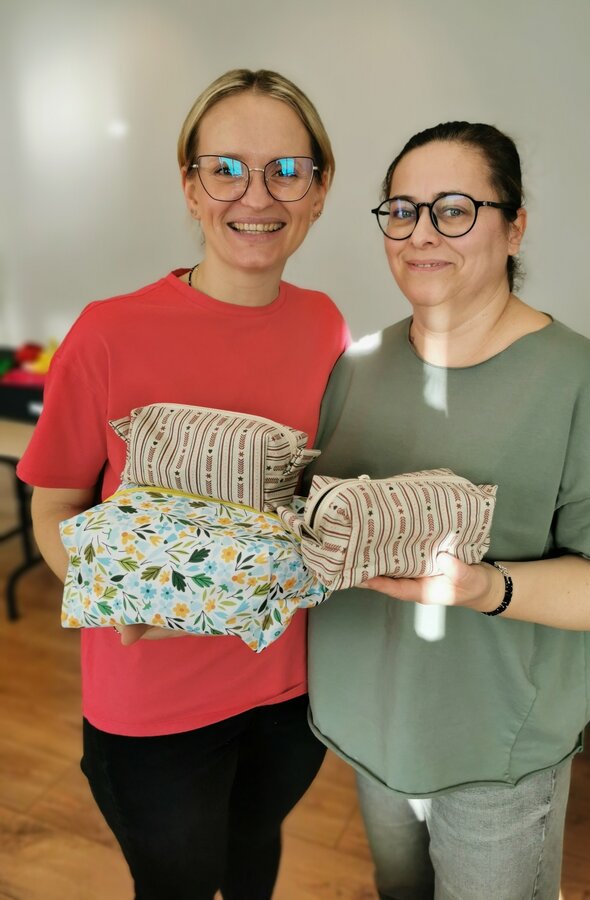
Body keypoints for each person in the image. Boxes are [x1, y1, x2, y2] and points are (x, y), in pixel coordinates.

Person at [303, 121, 590, 900]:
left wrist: (488, 587)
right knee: (399, 889)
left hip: (497, 757)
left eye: (453, 210)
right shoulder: (358, 367)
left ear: (514, 227)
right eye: (401, 211)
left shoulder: (575, 380)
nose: (421, 233)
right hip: (371, 727)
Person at [17, 68, 348, 900]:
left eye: (286, 169)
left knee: (254, 856)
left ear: (318, 191)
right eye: (225, 168)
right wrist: (124, 598)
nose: (256, 195)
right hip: (153, 708)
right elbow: (55, 502)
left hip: (288, 688)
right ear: (190, 187)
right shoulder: (109, 332)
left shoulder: (325, 325)